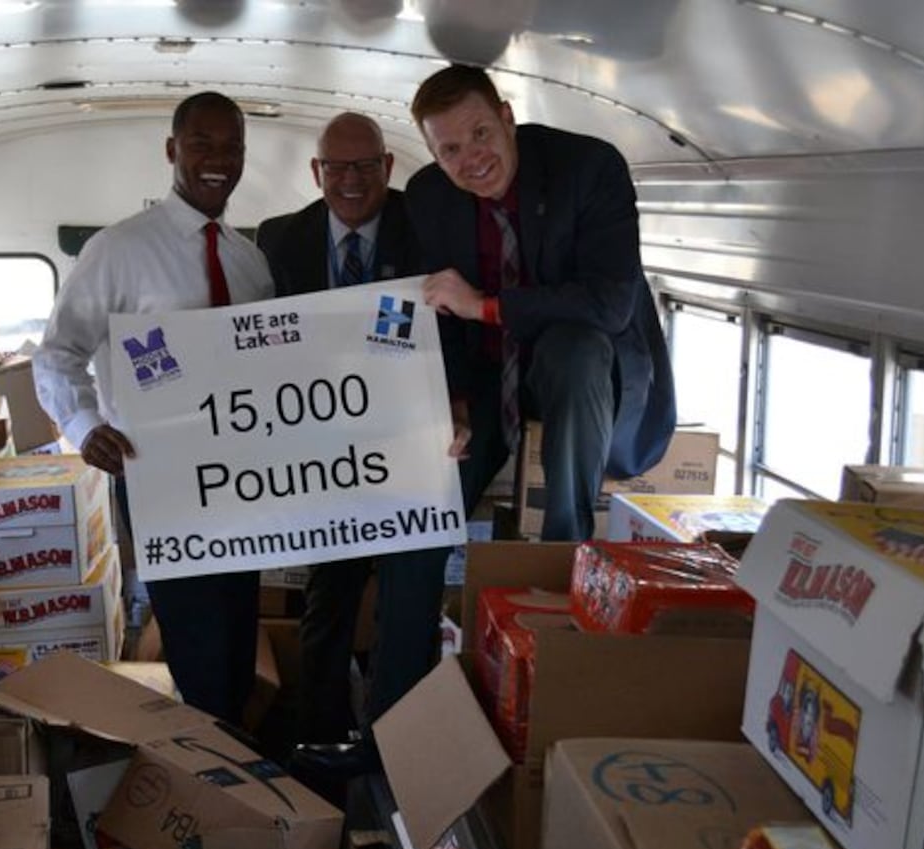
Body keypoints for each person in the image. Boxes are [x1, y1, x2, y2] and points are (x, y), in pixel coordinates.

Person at [32, 91, 274, 725]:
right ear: (172, 151)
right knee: (196, 648)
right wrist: (84, 428)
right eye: (201, 144)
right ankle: (207, 777)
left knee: (235, 640)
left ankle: (230, 771)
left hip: (244, 481)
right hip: (164, 479)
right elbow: (57, 354)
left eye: (231, 147)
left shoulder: (251, 264)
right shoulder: (118, 249)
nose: (217, 160)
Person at [406, 64, 676, 539]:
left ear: (508, 117)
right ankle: (413, 607)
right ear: (433, 156)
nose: (472, 158)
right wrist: (453, 400)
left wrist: (487, 307)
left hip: (581, 374)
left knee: (576, 349)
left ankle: (564, 549)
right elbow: (438, 312)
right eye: (450, 150)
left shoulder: (587, 168)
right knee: (428, 503)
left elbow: (610, 304)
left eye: (481, 133)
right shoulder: (429, 197)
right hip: (487, 376)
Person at [255, 113, 451, 757]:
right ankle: (321, 740)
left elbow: (459, 328)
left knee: (407, 602)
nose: (350, 180)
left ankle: (397, 744)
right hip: (326, 451)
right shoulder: (279, 240)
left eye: (365, 166)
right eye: (336, 168)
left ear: (388, 167)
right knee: (329, 597)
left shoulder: (425, 227)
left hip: (411, 443)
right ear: (315, 172)